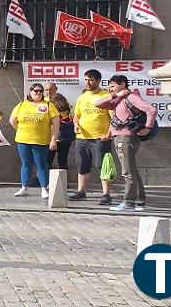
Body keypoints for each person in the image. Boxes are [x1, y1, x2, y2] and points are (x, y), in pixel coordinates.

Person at [98, 74, 157, 211]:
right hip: (120, 137)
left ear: (122, 84)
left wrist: (147, 128)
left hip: (126, 138)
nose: (110, 89)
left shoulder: (131, 97)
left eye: (113, 86)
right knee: (132, 170)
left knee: (127, 172)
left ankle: (128, 202)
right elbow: (98, 103)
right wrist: (115, 96)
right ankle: (140, 200)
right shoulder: (117, 99)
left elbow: (151, 110)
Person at [69, 70, 115, 205]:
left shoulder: (106, 96)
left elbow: (114, 118)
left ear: (98, 81)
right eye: (86, 80)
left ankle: (106, 194)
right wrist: (75, 125)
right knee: (82, 165)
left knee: (103, 166)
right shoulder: (82, 97)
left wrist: (108, 134)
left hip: (100, 139)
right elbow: (76, 115)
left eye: (91, 80)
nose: (87, 83)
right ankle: (81, 192)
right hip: (82, 138)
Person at [9, 83, 60, 198]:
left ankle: (44, 188)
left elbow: (56, 124)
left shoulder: (48, 105)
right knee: (26, 164)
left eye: (40, 91)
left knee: (41, 164)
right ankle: (24, 187)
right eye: (35, 91)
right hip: (23, 140)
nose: (38, 93)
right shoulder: (22, 104)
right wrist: (20, 130)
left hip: (41, 141)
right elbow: (12, 120)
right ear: (30, 92)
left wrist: (53, 139)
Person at [48, 93, 75, 172]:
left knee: (47, 160)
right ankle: (63, 182)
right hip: (66, 139)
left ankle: (46, 181)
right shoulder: (68, 109)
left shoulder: (53, 109)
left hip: (53, 137)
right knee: (63, 161)